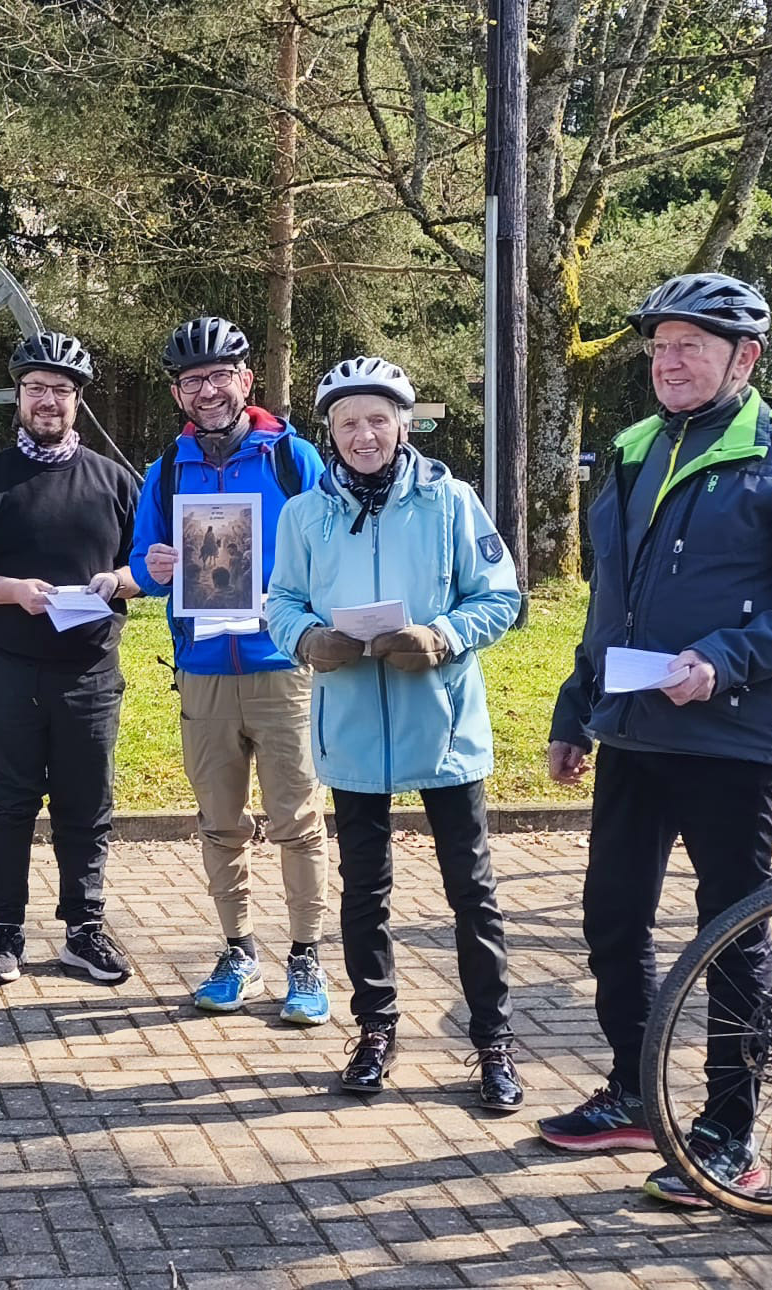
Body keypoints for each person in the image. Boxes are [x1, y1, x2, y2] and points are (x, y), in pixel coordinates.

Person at [539, 273, 772, 1204]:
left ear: (746, 358)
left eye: (691, 344)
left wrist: (727, 657)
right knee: (612, 919)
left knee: (733, 938)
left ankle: (729, 1131)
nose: (669, 360)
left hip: (731, 739)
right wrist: (576, 710)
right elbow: (613, 601)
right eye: (659, 346)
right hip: (633, 731)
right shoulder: (633, 448)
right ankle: (634, 1091)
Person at [265, 356, 525, 1110]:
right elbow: (280, 600)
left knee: (470, 893)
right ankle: (375, 1030)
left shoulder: (451, 502)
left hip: (441, 727)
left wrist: (442, 636)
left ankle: (494, 1043)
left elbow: (500, 595)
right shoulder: (303, 515)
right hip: (350, 726)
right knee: (364, 893)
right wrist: (308, 639)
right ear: (332, 433)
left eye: (378, 419)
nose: (364, 434)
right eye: (349, 423)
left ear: (404, 425)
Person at [128, 316, 332, 1024]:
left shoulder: (294, 458)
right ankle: (238, 949)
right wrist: (150, 570)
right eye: (193, 380)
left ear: (247, 381)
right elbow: (142, 564)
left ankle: (306, 958)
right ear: (178, 393)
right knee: (219, 822)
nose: (208, 390)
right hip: (204, 670)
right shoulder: (165, 469)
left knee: (298, 821)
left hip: (283, 667)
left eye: (221, 376)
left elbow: (336, 541)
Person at [0, 329, 142, 987]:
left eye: (61, 391)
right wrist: (10, 591)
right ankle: (6, 935)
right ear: (19, 397)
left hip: (90, 673)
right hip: (6, 670)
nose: (48, 401)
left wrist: (119, 581)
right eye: (36, 389)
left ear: (78, 401)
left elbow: (151, 565)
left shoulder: (113, 481)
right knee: (9, 803)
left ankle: (84, 931)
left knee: (87, 804)